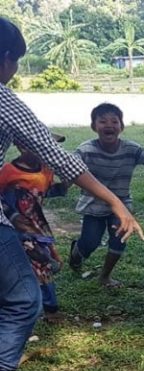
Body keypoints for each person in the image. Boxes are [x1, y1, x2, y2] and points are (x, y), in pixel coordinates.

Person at [0, 16, 143, 371]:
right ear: (7, 59)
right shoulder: (3, 100)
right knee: (24, 298)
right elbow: (59, 157)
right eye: (14, 63)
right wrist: (116, 202)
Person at [68, 102, 144, 288]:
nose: (109, 125)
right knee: (90, 242)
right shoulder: (85, 150)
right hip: (93, 205)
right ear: (94, 126)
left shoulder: (131, 148)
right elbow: (69, 170)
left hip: (122, 206)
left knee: (119, 240)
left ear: (121, 127)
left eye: (114, 121)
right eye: (103, 121)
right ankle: (77, 253)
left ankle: (105, 276)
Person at [0, 135, 70, 322]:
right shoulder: (8, 171)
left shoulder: (47, 170)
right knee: (39, 265)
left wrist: (64, 184)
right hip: (12, 227)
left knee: (42, 265)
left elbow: (45, 193)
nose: (45, 151)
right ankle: (49, 309)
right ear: (21, 146)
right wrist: (13, 216)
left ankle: (46, 307)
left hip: (37, 227)